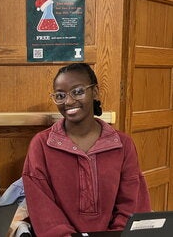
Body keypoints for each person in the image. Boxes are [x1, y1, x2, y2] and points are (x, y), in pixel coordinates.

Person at [22, 63, 151, 237]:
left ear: (95, 92)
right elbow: (43, 210)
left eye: (78, 92)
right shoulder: (41, 145)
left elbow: (132, 204)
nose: (68, 101)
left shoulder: (123, 144)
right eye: (60, 95)